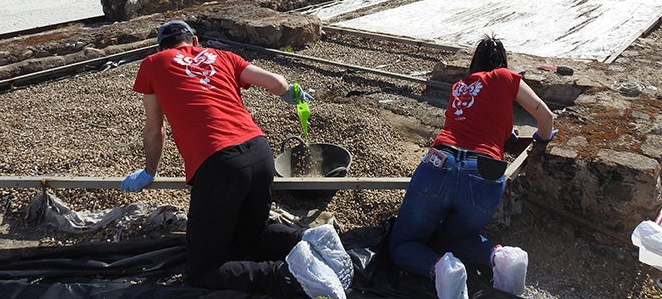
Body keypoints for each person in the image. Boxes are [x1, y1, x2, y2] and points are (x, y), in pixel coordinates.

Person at [120, 20, 353, 299]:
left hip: (219, 163)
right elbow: (277, 82)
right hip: (259, 151)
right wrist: (290, 93)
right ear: (195, 41)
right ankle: (307, 238)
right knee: (250, 235)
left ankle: (286, 277)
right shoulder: (223, 56)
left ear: (161, 46)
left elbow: (154, 129)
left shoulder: (153, 63)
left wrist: (149, 171)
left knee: (202, 270)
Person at [388, 35, 556, 299]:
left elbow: (468, 122)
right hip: (486, 172)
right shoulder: (504, 77)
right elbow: (545, 116)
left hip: (440, 162)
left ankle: (440, 269)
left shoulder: (460, 86)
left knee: (403, 244)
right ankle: (500, 258)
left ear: (474, 62)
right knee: (454, 238)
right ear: (502, 62)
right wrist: (543, 138)